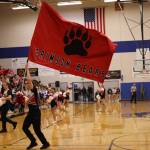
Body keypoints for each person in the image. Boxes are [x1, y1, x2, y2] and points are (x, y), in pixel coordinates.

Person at [22, 63, 50, 149]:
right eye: (26, 83)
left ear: (32, 84)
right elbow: (27, 102)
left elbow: (29, 80)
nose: (27, 84)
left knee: (37, 130)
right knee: (24, 128)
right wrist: (25, 106)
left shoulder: (34, 90)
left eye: (28, 83)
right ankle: (33, 141)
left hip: (36, 112)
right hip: (31, 111)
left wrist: (27, 70)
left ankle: (45, 143)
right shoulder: (27, 92)